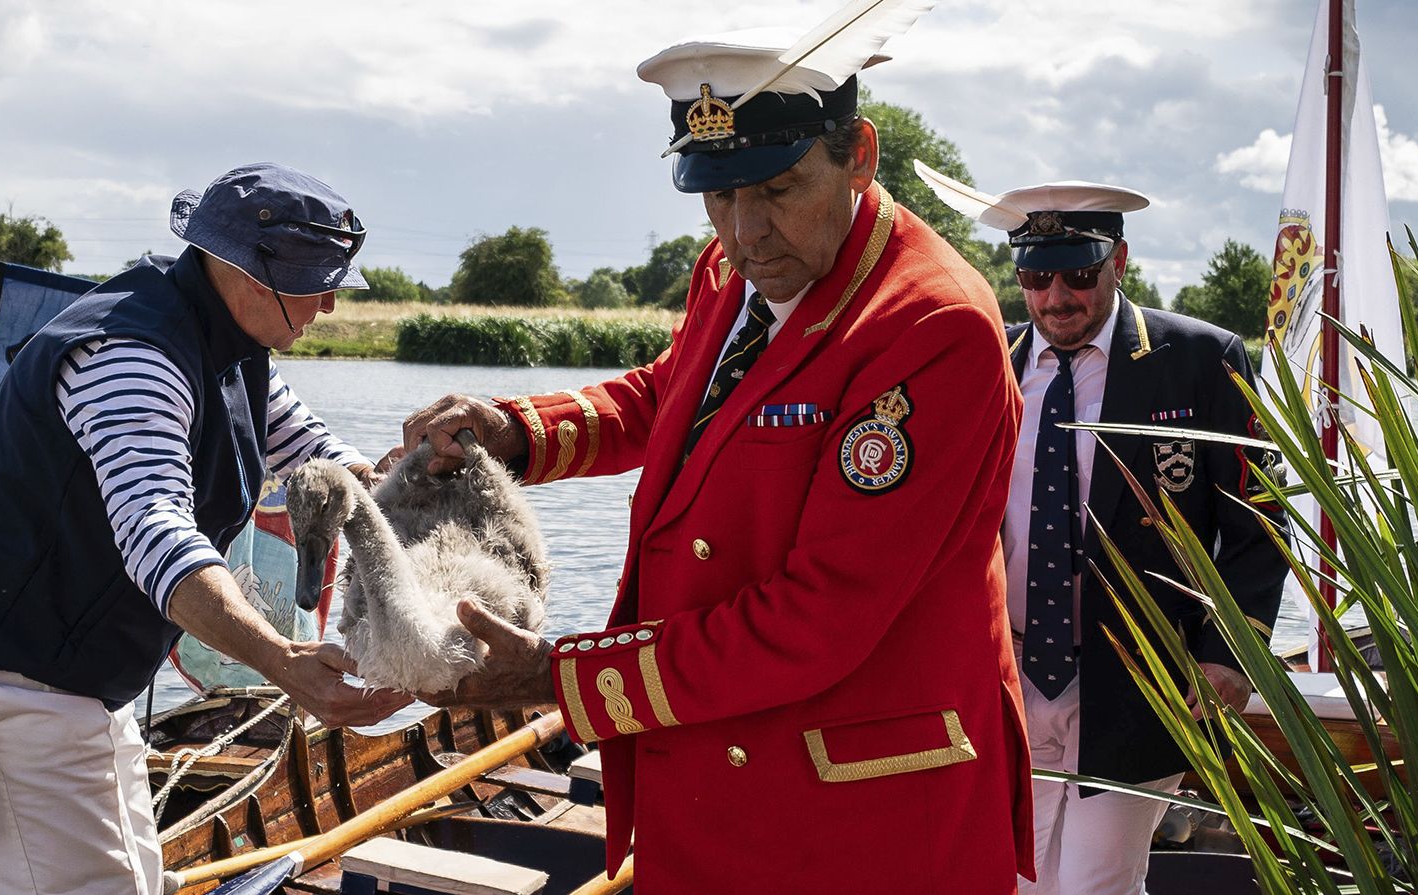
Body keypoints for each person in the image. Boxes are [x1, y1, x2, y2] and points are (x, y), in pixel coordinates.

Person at [386, 31, 1034, 894]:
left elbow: (818, 616)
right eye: (718, 196)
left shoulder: (931, 328)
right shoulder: (741, 267)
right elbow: (676, 396)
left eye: (777, 188)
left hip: (857, 820)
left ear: (859, 156)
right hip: (711, 767)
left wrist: (558, 675)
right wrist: (518, 430)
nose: (745, 230)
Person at [0, 162, 411, 895]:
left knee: (130, 879)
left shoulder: (230, 340)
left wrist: (403, 479)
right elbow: (156, 534)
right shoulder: (135, 354)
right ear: (247, 274)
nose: (328, 303)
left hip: (69, 673)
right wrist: (283, 661)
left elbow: (314, 450)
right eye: (315, 281)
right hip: (3, 670)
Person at [952, 181, 1288, 895]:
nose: (1056, 298)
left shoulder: (1200, 359)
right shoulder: (989, 365)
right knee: (1016, 881)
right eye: (1037, 277)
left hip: (1138, 679)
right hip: (1007, 675)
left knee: (1094, 883)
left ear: (1120, 260)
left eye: (1079, 273)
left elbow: (1260, 519)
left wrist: (1229, 652)